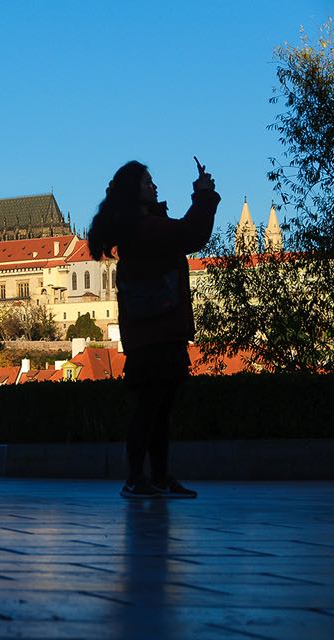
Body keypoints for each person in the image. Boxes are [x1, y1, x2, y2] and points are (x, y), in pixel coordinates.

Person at [87, 160, 220, 499]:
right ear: (135, 191)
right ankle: (135, 478)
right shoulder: (141, 228)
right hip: (154, 334)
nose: (154, 186)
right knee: (149, 410)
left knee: (158, 411)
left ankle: (157, 477)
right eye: (148, 181)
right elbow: (190, 235)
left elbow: (182, 235)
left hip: (158, 331)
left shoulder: (141, 226)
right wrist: (203, 197)